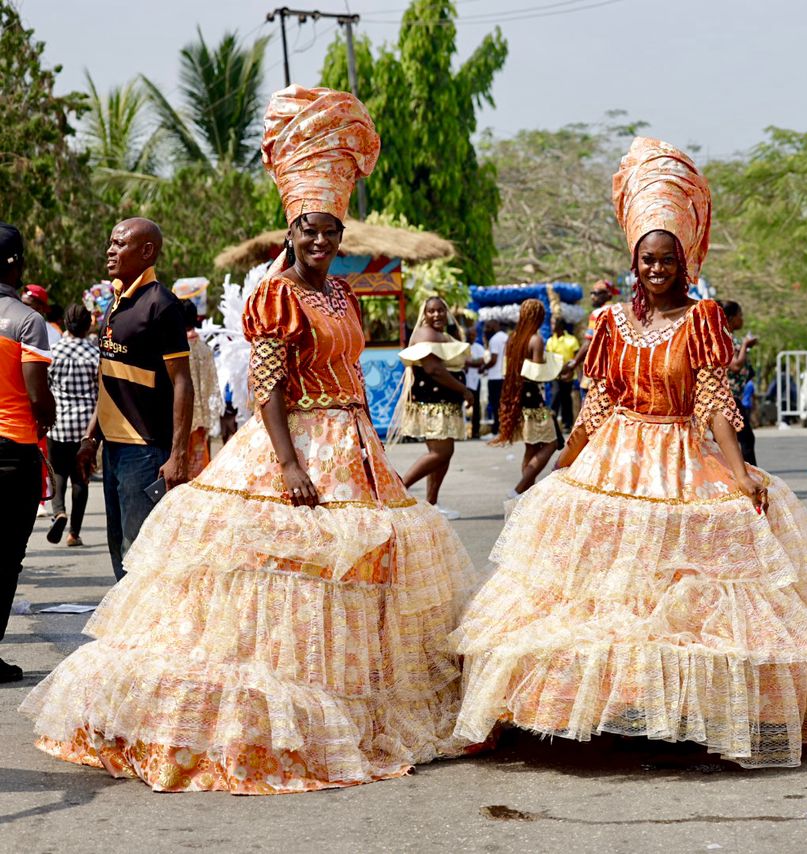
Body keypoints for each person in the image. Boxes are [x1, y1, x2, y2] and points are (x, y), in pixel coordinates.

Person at [21, 86, 476, 793]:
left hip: (356, 447)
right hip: (294, 448)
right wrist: (291, 465)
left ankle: (357, 707)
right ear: (288, 234)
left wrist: (365, 445)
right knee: (279, 582)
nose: (319, 242)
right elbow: (267, 390)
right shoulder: (275, 294)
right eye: (307, 231)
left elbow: (345, 370)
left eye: (329, 232)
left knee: (359, 581)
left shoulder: (343, 296)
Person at [450, 137, 807, 768]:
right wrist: (569, 458)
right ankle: (607, 715)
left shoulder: (702, 320)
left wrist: (737, 471)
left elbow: (714, 401)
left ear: (684, 261)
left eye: (667, 259)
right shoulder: (612, 323)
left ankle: (673, 718)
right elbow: (600, 398)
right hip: (615, 457)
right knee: (604, 597)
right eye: (647, 259)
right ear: (633, 261)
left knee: (678, 601)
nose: (657, 268)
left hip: (680, 456)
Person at [75, 217, 193, 581]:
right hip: (113, 448)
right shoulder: (114, 303)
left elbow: (183, 383)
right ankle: (124, 629)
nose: (111, 250)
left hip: (144, 449)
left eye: (120, 243)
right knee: (118, 544)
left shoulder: (161, 304)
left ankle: (145, 631)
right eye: (111, 242)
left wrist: (179, 454)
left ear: (147, 251)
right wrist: (91, 437)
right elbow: (109, 379)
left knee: (139, 548)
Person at [0, 223, 55, 684]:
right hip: (12, 452)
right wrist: (47, 417)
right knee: (5, 559)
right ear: (15, 264)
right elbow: (38, 395)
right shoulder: (27, 320)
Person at [393, 295, 475, 518]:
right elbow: (433, 369)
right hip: (433, 404)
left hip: (444, 403)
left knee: (443, 454)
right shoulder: (425, 333)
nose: (437, 314)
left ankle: (432, 503)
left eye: (441, 310)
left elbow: (453, 361)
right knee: (441, 452)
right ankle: (395, 490)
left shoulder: (444, 335)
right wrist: (464, 390)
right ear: (425, 314)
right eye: (432, 311)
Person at [489, 299, 559, 495]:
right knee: (551, 444)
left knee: (531, 447)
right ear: (539, 317)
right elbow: (537, 373)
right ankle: (519, 489)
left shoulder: (512, 339)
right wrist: (554, 366)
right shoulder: (535, 340)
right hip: (534, 400)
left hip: (517, 398)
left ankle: (526, 493)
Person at [46, 303, 99, 547]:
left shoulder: (53, 351)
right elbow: (102, 392)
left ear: (66, 324)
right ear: (88, 325)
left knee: (57, 472)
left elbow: (44, 386)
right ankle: (73, 533)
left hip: (58, 424)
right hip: (86, 428)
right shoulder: (95, 353)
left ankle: (59, 513)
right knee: (81, 479)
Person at [181, 299, 221, 477]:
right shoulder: (205, 348)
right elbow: (212, 385)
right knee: (198, 466)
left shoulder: (178, 349)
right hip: (201, 416)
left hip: (181, 415)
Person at [722, 300, 758, 465]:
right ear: (730, 318)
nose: (742, 319)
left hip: (733, 396)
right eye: (739, 315)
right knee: (744, 438)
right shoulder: (721, 338)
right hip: (725, 397)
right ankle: (749, 474)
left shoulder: (728, 337)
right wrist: (745, 345)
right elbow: (735, 365)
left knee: (742, 438)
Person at [545, 316, 581, 435]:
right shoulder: (550, 341)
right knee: (555, 396)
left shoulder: (572, 340)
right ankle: (551, 423)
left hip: (568, 375)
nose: (551, 326)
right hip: (556, 374)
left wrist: (570, 371)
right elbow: (549, 359)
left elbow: (577, 358)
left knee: (566, 399)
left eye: (553, 323)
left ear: (560, 325)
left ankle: (567, 424)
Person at [462, 320, 492, 439]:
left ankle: (475, 432)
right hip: (463, 380)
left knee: (476, 406)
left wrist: (468, 363)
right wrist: (471, 362)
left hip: (475, 380)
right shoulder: (462, 346)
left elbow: (481, 362)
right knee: (461, 406)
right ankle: (463, 431)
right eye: (470, 335)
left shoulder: (478, 347)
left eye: (474, 335)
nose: (472, 337)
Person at [483, 320, 509, 435]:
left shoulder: (494, 340)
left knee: (495, 404)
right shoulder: (506, 337)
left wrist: (484, 367)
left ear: (495, 326)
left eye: (488, 327)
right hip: (504, 376)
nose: (486, 329)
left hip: (494, 377)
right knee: (504, 403)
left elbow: (493, 360)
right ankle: (505, 427)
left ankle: (497, 428)